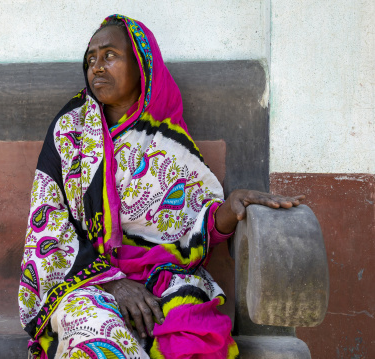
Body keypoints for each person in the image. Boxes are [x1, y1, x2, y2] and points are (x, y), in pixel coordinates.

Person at [18, 14, 304, 359]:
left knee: (189, 335)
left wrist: (230, 209)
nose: (96, 67)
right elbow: (49, 222)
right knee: (93, 331)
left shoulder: (168, 142)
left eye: (110, 55)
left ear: (141, 65)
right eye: (91, 58)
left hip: (163, 274)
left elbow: (198, 221)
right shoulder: (70, 132)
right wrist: (112, 282)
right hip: (85, 279)